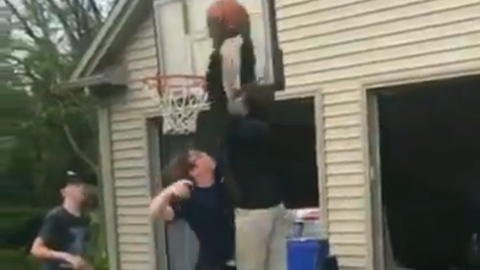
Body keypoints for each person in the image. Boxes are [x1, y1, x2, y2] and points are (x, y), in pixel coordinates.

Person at [149, 150, 235, 270]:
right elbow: (154, 212)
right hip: (212, 265)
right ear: (194, 171)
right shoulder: (191, 198)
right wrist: (169, 192)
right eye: (200, 156)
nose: (206, 155)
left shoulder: (224, 183)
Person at [30, 171, 92, 270]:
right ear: (64, 192)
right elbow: (36, 249)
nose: (82, 188)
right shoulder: (56, 217)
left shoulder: (85, 219)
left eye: (82, 184)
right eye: (75, 185)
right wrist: (66, 257)